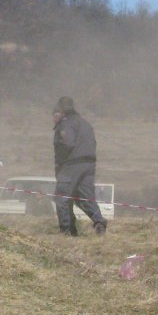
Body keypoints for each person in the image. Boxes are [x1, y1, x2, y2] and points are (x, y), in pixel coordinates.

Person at [52, 96, 107, 236]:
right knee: (85, 197)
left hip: (72, 165)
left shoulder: (66, 124)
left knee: (62, 196)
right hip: (89, 165)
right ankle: (99, 222)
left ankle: (67, 231)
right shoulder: (85, 124)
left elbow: (68, 143)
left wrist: (60, 163)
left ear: (62, 109)